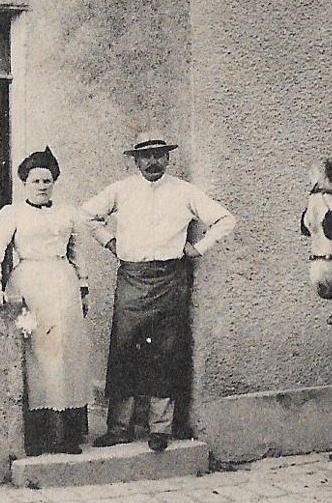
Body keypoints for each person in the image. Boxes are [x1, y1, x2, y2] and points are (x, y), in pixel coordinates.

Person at [83, 131, 236, 452]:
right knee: (125, 348)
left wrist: (199, 247)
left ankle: (160, 429)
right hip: (132, 277)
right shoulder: (121, 190)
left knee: (164, 351)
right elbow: (87, 216)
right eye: (146, 156)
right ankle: (120, 427)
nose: (152, 162)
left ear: (168, 158)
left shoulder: (184, 191)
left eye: (159, 154)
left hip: (170, 278)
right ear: (136, 160)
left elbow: (225, 219)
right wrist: (110, 242)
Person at [0, 148, 96, 456]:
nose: (42, 185)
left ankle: (67, 434)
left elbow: (77, 253)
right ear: (24, 183)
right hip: (28, 286)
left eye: (47, 180)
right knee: (35, 353)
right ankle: (38, 435)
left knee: (66, 353)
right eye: (36, 180)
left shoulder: (68, 212)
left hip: (63, 284)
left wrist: (83, 287)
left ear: (54, 182)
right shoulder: (12, 213)